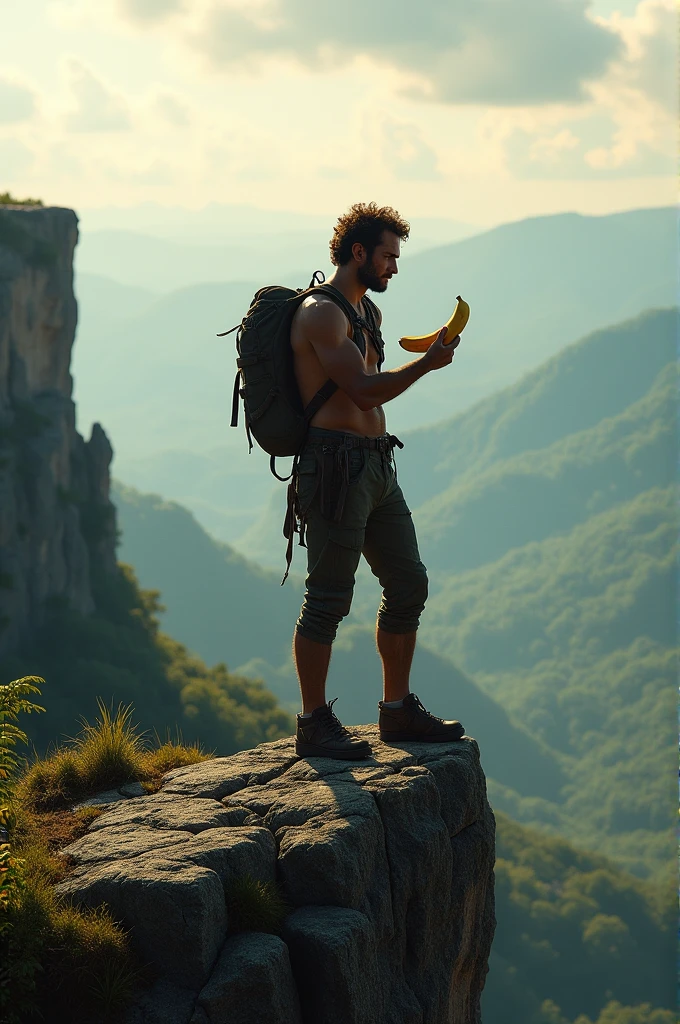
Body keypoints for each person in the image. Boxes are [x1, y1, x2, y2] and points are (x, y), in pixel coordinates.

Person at [291, 202, 465, 759]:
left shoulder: (369, 315)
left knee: (408, 583)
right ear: (358, 252)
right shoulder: (323, 314)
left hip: (375, 465)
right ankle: (313, 722)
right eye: (389, 255)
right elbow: (361, 392)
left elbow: (368, 388)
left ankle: (396, 711)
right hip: (335, 468)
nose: (395, 266)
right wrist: (426, 366)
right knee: (328, 600)